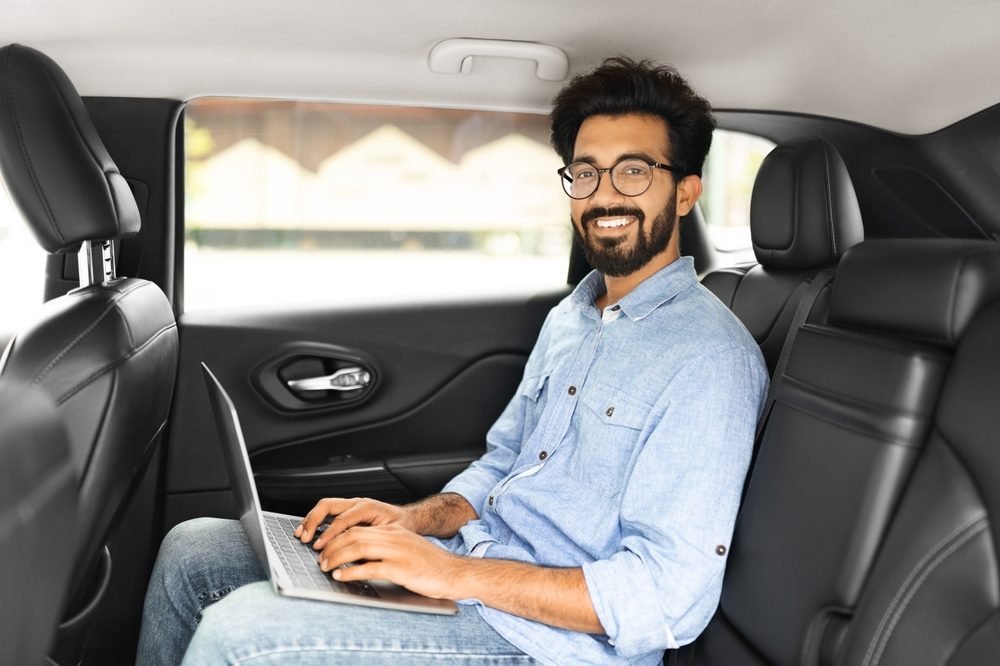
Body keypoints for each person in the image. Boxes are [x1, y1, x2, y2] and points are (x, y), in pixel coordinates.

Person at [137, 57, 768, 666]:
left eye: (633, 172)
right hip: (471, 573)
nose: (604, 196)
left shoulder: (710, 360)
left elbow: (667, 598)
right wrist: (411, 523)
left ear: (685, 192)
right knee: (195, 550)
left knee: (242, 634)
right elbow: (502, 465)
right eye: (585, 173)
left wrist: (451, 572)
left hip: (547, 643)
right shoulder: (574, 317)